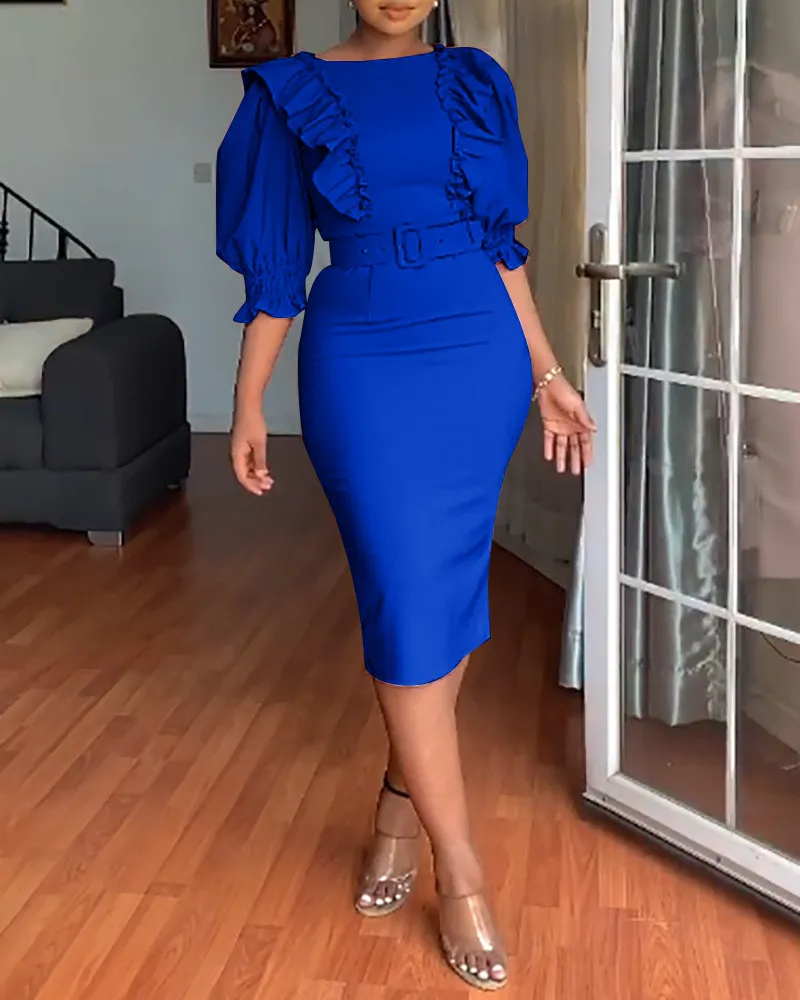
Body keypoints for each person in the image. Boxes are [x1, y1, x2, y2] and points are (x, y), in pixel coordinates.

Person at [216, 1, 595, 990]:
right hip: (362, 358)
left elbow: (501, 246)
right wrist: (248, 399)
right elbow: (276, 273)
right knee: (403, 588)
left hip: (478, 355)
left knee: (441, 594)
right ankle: (460, 873)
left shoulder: (474, 80)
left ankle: (397, 801)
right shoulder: (290, 91)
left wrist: (548, 371)